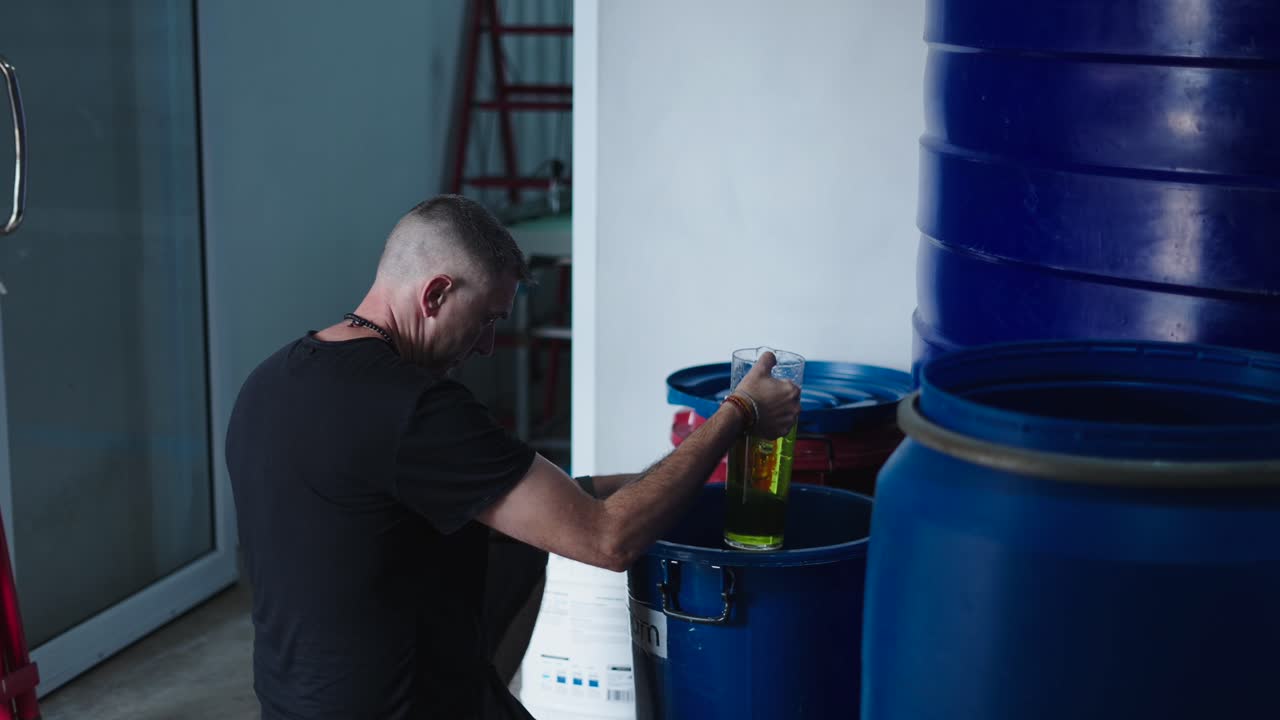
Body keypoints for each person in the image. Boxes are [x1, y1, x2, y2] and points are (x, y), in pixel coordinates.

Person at [226, 195, 801, 719]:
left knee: (514, 539)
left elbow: (529, 498)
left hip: (292, 705)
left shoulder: (272, 381)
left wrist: (702, 477)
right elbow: (608, 540)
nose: (486, 346)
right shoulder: (416, 409)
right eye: (488, 319)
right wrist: (739, 411)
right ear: (435, 294)